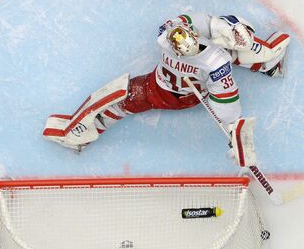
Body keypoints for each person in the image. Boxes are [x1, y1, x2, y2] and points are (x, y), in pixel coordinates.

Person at [42, 12, 290, 158]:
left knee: (120, 98)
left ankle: (78, 135)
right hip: (176, 88)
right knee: (235, 50)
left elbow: (226, 101)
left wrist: (232, 129)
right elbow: (226, 99)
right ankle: (267, 61)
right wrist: (232, 128)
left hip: (165, 92)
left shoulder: (201, 53)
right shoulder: (204, 51)